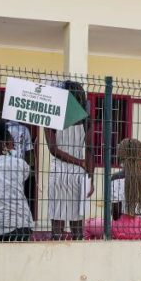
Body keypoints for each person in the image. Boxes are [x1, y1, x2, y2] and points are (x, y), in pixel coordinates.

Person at [44, 80, 94, 240]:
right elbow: (90, 151)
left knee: (57, 219)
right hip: (78, 175)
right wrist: (90, 179)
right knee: (77, 222)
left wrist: (78, 162)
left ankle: (56, 253)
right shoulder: (86, 120)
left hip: (58, 172)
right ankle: (78, 256)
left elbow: (53, 149)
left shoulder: (51, 117)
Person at [85, 138, 141, 239]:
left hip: (123, 230)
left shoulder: (116, 178)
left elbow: (115, 215)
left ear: (121, 156)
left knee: (87, 225)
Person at [0, 120, 34, 241]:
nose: (14, 144)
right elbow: (25, 175)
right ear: (4, 143)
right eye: (12, 141)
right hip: (21, 225)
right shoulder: (20, 164)